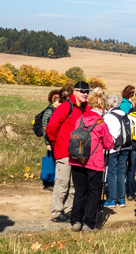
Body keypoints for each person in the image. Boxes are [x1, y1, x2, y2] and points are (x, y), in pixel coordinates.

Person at [45, 81, 91, 223]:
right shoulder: (66, 106)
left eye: (87, 92)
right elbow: (51, 126)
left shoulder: (85, 108)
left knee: (74, 184)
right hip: (64, 151)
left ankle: (70, 209)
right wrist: (54, 143)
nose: (85, 94)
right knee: (62, 183)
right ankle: (57, 212)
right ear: (75, 92)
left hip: (78, 152)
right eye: (82, 91)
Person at [68, 94, 114, 231]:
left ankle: (76, 220)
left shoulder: (80, 119)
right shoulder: (101, 123)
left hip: (77, 159)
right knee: (94, 193)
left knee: (79, 192)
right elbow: (108, 144)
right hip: (94, 162)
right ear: (102, 106)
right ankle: (89, 223)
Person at [102, 95, 128, 208]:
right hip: (126, 147)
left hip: (113, 148)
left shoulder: (109, 116)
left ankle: (111, 199)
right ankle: (121, 199)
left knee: (112, 173)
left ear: (109, 105)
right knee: (121, 173)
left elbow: (107, 133)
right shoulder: (125, 115)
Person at [39, 88, 64, 190]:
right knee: (50, 162)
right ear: (54, 101)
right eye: (59, 101)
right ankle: (48, 182)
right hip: (50, 141)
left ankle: (52, 181)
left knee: (54, 161)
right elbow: (45, 128)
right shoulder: (49, 112)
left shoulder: (56, 111)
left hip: (55, 141)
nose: (61, 103)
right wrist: (47, 143)